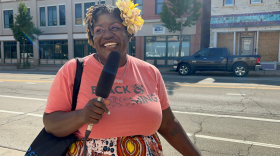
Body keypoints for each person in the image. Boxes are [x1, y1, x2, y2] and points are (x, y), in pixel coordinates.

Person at [43, 0, 201, 155]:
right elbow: (50, 123)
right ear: (92, 37)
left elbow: (167, 124)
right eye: (99, 30)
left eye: (115, 27)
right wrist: (80, 116)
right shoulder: (73, 70)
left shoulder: (150, 72)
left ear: (129, 32)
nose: (107, 34)